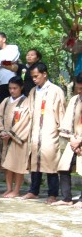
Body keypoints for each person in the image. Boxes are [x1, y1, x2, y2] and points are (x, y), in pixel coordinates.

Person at [22, 62, 66, 202]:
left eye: (36, 76)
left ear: (44, 74)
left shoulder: (55, 90)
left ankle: (52, 194)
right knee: (35, 160)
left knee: (50, 162)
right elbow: (28, 110)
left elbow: (60, 111)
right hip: (35, 130)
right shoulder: (33, 92)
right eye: (32, 77)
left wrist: (61, 130)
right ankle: (33, 190)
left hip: (50, 130)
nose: (34, 79)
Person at [0, 77, 31, 198]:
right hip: (5, 137)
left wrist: (11, 133)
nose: (12, 91)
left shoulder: (26, 102)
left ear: (21, 87)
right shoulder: (6, 101)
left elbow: (25, 120)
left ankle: (16, 190)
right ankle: (9, 188)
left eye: (15, 88)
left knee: (17, 165)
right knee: (7, 165)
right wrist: (1, 131)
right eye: (10, 88)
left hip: (18, 138)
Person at [53, 74, 82, 207]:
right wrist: (72, 139)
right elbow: (68, 121)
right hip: (73, 139)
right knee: (64, 168)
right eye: (78, 88)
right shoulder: (75, 99)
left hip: (79, 140)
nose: (79, 91)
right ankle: (66, 198)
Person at [0, 32, 22, 102]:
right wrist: (4, 62)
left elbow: (10, 61)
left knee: (13, 103)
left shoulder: (13, 48)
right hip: (0, 83)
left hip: (12, 82)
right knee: (2, 105)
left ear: (4, 39)